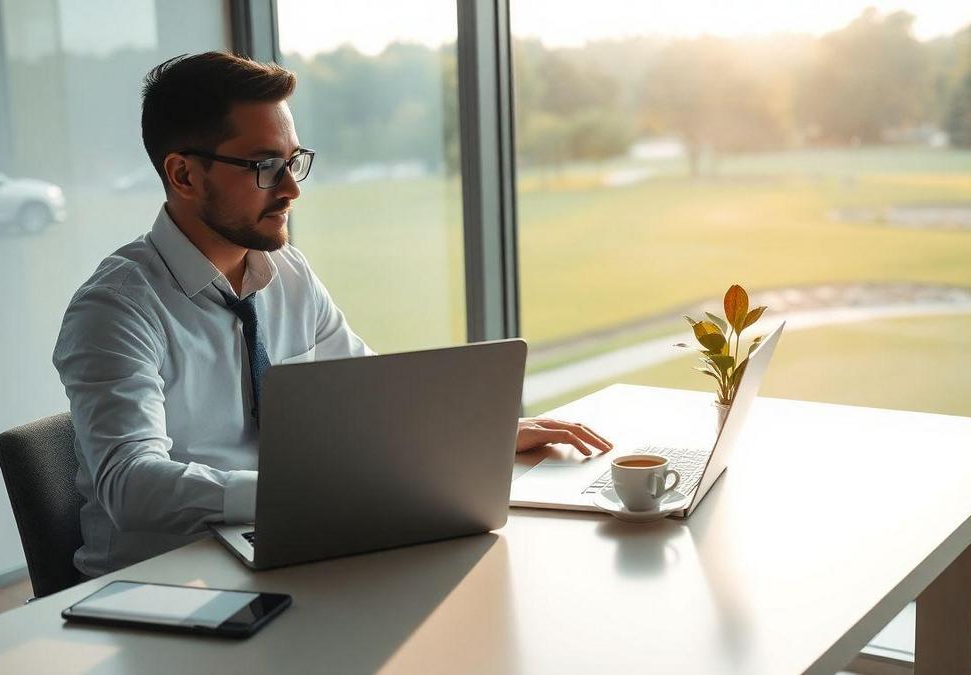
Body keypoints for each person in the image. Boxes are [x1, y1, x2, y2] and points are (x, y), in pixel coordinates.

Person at [53, 51, 612, 578]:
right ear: (183, 175)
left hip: (286, 547)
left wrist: (475, 437)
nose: (292, 188)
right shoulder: (116, 308)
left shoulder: (287, 274)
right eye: (266, 166)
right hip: (162, 587)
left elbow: (370, 396)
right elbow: (130, 485)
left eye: (293, 161)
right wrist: (302, 494)